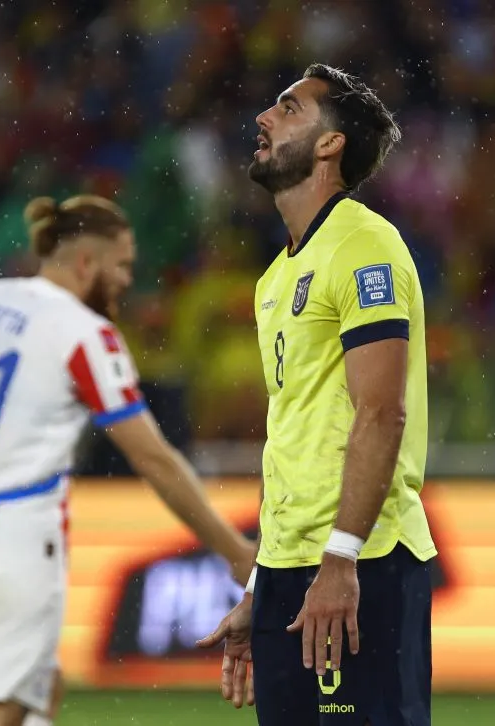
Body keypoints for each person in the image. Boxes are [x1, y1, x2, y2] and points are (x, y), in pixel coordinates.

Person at [0, 195, 256, 726]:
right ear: (87, 263)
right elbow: (152, 457)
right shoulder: (84, 335)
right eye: (123, 265)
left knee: (41, 689)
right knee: (0, 708)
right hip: (15, 541)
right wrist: (233, 549)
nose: (128, 279)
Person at [197, 64, 437, 725]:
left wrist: (340, 559)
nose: (263, 119)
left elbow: (382, 413)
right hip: (289, 568)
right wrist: (261, 582)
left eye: (289, 108)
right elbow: (292, 431)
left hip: (363, 562)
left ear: (331, 144)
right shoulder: (275, 277)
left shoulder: (364, 246)